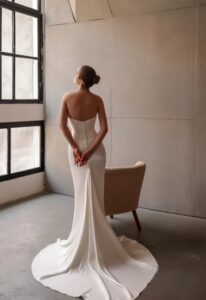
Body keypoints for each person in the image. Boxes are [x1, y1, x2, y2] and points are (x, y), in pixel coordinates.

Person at [31, 65, 159, 300]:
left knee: (82, 195)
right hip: (96, 154)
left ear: (79, 79)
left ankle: (82, 240)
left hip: (76, 154)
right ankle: (97, 240)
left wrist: (77, 150)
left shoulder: (67, 97)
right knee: (95, 196)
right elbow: (104, 129)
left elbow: (62, 126)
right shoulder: (98, 99)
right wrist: (90, 151)